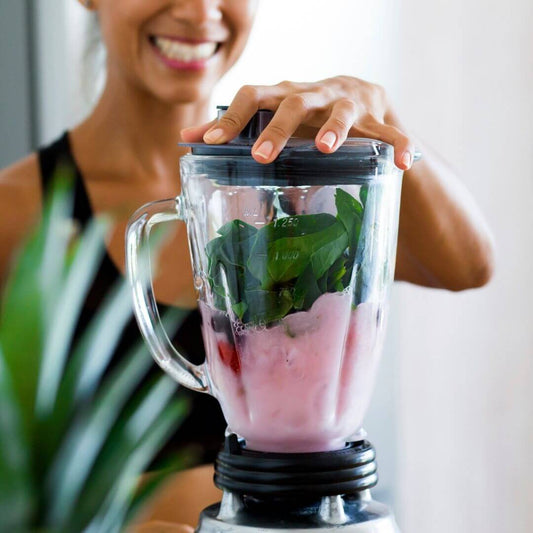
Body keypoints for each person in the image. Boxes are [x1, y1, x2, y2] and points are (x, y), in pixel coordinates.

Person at [0, 0, 495, 530]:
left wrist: (385, 124)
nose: (198, 12)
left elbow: (468, 265)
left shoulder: (298, 183)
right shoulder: (17, 214)